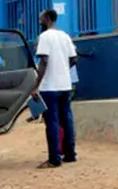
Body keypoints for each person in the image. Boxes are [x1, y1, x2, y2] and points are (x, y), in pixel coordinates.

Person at [31, 9, 78, 169]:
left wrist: (36, 85)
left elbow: (43, 61)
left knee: (52, 122)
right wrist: (63, 69)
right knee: (67, 119)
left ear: (49, 19)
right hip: (65, 85)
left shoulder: (44, 37)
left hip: (49, 87)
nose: (39, 22)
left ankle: (54, 158)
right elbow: (74, 58)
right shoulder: (65, 36)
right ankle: (70, 154)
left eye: (41, 19)